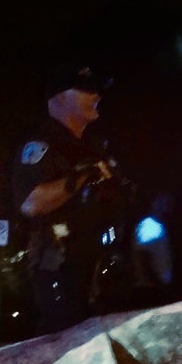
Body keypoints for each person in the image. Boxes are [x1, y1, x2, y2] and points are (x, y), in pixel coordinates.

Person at [16, 64, 124, 334]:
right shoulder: (42, 144)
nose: (96, 95)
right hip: (61, 268)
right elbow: (31, 202)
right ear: (60, 98)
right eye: (87, 90)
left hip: (99, 267)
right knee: (65, 342)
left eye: (97, 89)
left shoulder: (94, 145)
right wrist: (82, 177)